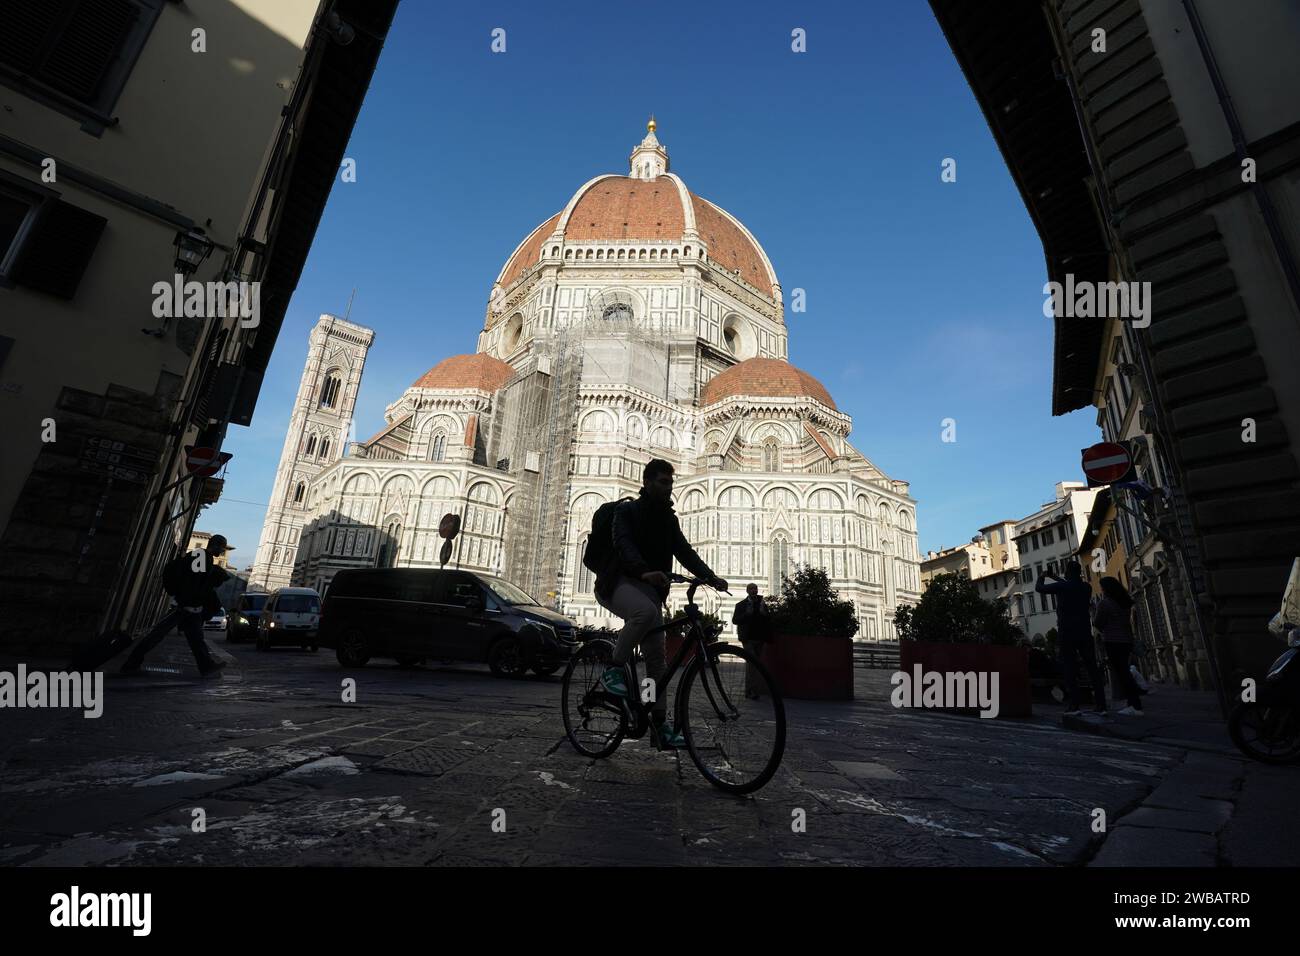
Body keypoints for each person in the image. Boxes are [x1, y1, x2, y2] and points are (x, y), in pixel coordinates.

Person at [593, 459, 728, 748]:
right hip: (616, 583)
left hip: (650, 592)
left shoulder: (669, 520)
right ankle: (612, 670)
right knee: (644, 612)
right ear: (647, 482)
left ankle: (658, 723)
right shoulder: (626, 511)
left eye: (670, 482)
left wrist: (710, 577)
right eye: (663, 482)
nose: (669, 488)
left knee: (656, 663)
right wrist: (643, 570)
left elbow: (685, 552)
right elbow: (623, 544)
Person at [121, 535, 230, 677]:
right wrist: (187, 602)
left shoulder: (204, 557)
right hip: (184, 607)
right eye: (222, 548)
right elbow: (193, 582)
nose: (222, 551)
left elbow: (197, 581)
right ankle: (131, 664)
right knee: (157, 634)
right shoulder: (201, 556)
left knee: (196, 638)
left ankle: (206, 666)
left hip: (190, 607)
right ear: (215, 545)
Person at [1036, 561, 1106, 717]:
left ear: (1067, 572)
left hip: (1067, 631)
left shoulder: (1063, 587)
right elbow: (1070, 585)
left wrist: (1042, 577)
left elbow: (1039, 588)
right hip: (1084, 630)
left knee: (1069, 668)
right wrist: (1055, 578)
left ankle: (1074, 705)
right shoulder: (1086, 587)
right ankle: (1102, 705)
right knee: (1092, 668)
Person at [1094, 576, 1145, 716]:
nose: (1101, 590)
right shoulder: (1125, 603)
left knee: (1122, 674)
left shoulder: (1104, 604)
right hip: (1126, 640)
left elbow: (1098, 623)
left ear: (1107, 589)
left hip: (1112, 641)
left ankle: (1135, 705)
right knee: (1125, 671)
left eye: (1102, 587)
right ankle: (1132, 703)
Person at [731, 583, 771, 699]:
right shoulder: (741, 605)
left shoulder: (762, 603)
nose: (754, 591)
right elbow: (735, 620)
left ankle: (749, 690)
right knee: (753, 663)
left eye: (755, 589)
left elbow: (767, 618)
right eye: (752, 589)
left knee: (754, 664)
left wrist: (764, 613)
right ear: (747, 591)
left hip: (759, 638)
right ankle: (752, 691)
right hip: (747, 639)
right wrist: (746, 614)